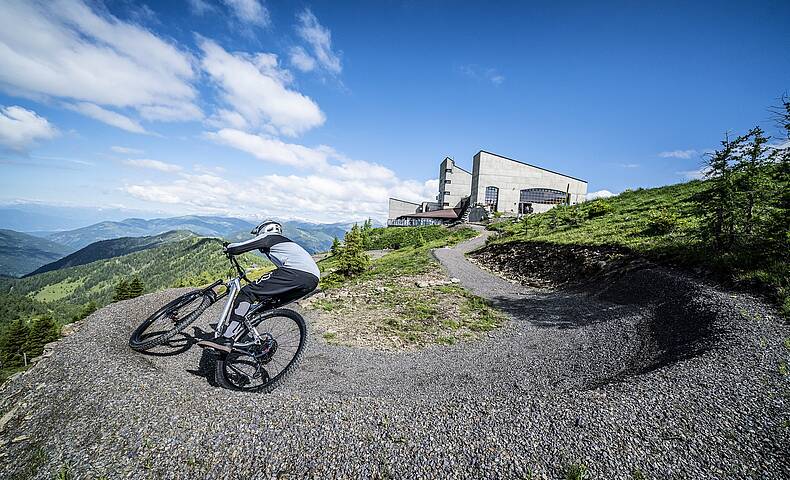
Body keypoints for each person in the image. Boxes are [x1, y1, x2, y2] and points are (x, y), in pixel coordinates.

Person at [198, 219, 319, 352]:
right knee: (263, 307)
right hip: (312, 281)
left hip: (295, 272)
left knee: (247, 293)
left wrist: (228, 247)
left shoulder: (270, 237)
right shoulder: (287, 245)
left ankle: (226, 339)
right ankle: (260, 346)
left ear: (264, 229)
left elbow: (239, 248)